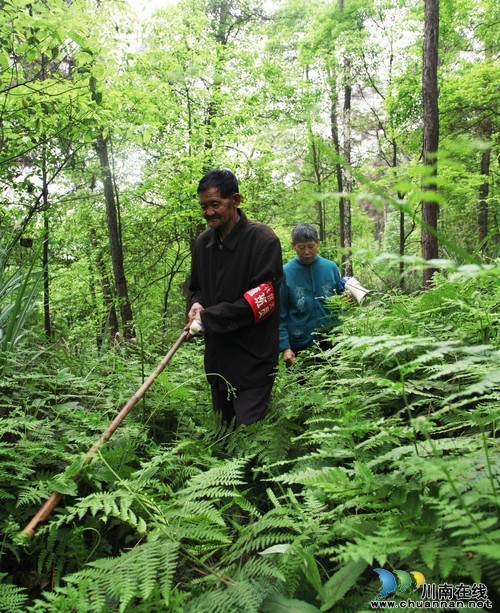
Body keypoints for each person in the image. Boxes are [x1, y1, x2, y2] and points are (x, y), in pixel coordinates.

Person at [186, 169, 283, 426]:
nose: (208, 213)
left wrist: (208, 319)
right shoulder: (202, 245)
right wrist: (196, 304)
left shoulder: (263, 241)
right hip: (218, 362)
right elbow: (196, 288)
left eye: (215, 204)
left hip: (253, 361)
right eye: (204, 206)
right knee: (224, 437)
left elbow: (260, 303)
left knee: (250, 440)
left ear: (235, 200)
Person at [279, 224, 344, 366]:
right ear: (293, 246)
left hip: (332, 341)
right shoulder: (285, 273)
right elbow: (280, 314)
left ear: (318, 243)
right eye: (301, 247)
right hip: (300, 344)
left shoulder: (331, 267)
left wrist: (347, 299)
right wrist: (285, 347)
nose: (307, 252)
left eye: (311, 246)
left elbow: (339, 298)